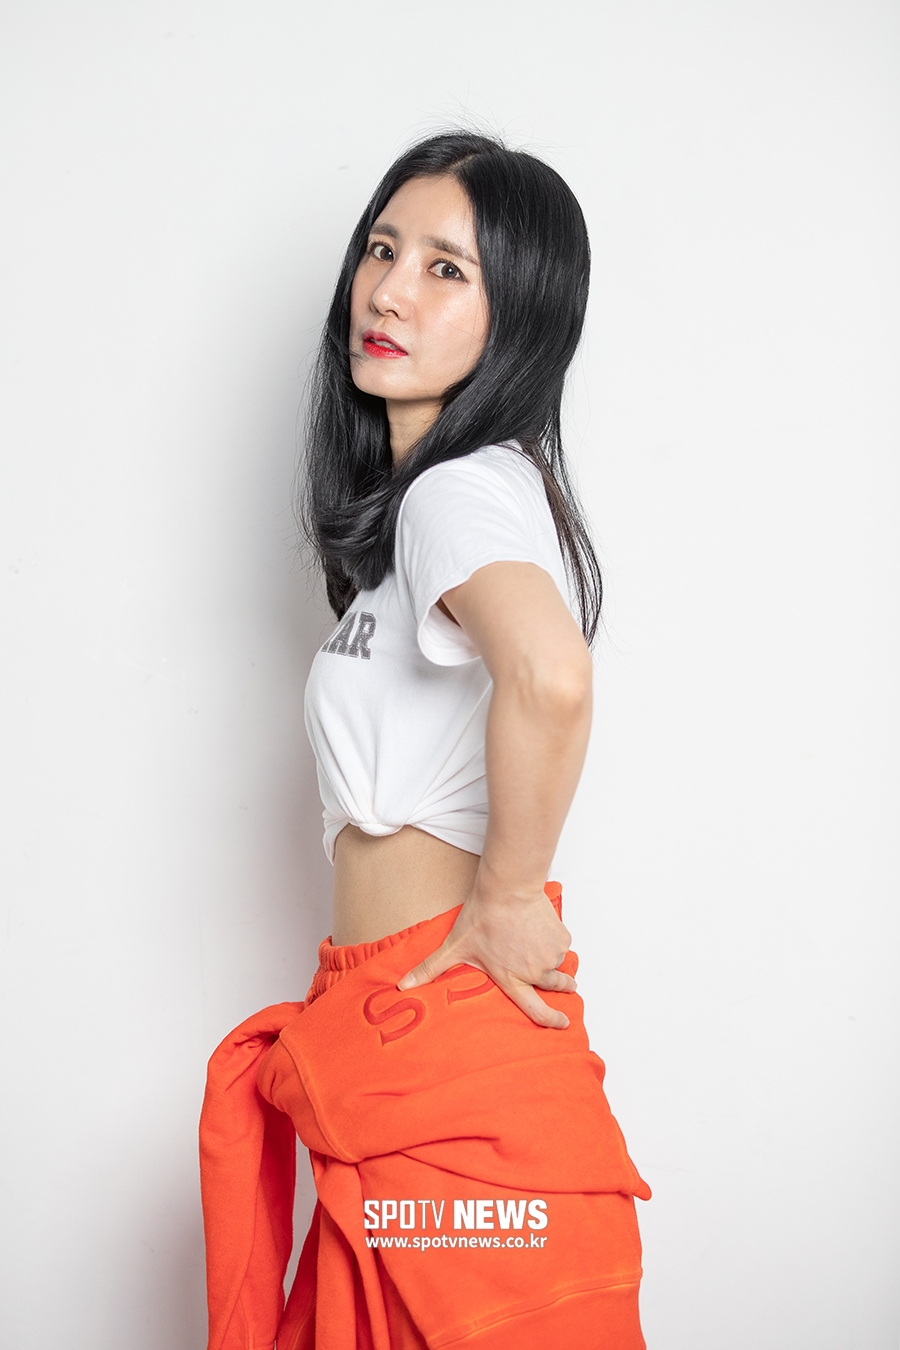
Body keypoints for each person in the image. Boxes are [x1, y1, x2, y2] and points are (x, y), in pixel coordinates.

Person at [199, 130, 650, 1350]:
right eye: (382, 250)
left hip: (451, 1062)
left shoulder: (456, 491)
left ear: (520, 321)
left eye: (448, 269)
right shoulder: (431, 511)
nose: (389, 291)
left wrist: (508, 894)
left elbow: (553, 676)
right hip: (396, 1041)